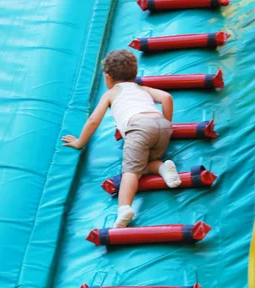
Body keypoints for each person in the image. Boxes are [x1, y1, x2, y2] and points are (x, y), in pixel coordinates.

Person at [62, 49, 181, 228]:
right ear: (134, 74)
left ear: (108, 77)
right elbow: (166, 97)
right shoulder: (142, 88)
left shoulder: (111, 94)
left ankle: (124, 208)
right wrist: (167, 124)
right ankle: (163, 168)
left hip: (138, 128)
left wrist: (79, 142)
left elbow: (94, 121)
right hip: (161, 127)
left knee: (131, 172)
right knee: (145, 162)